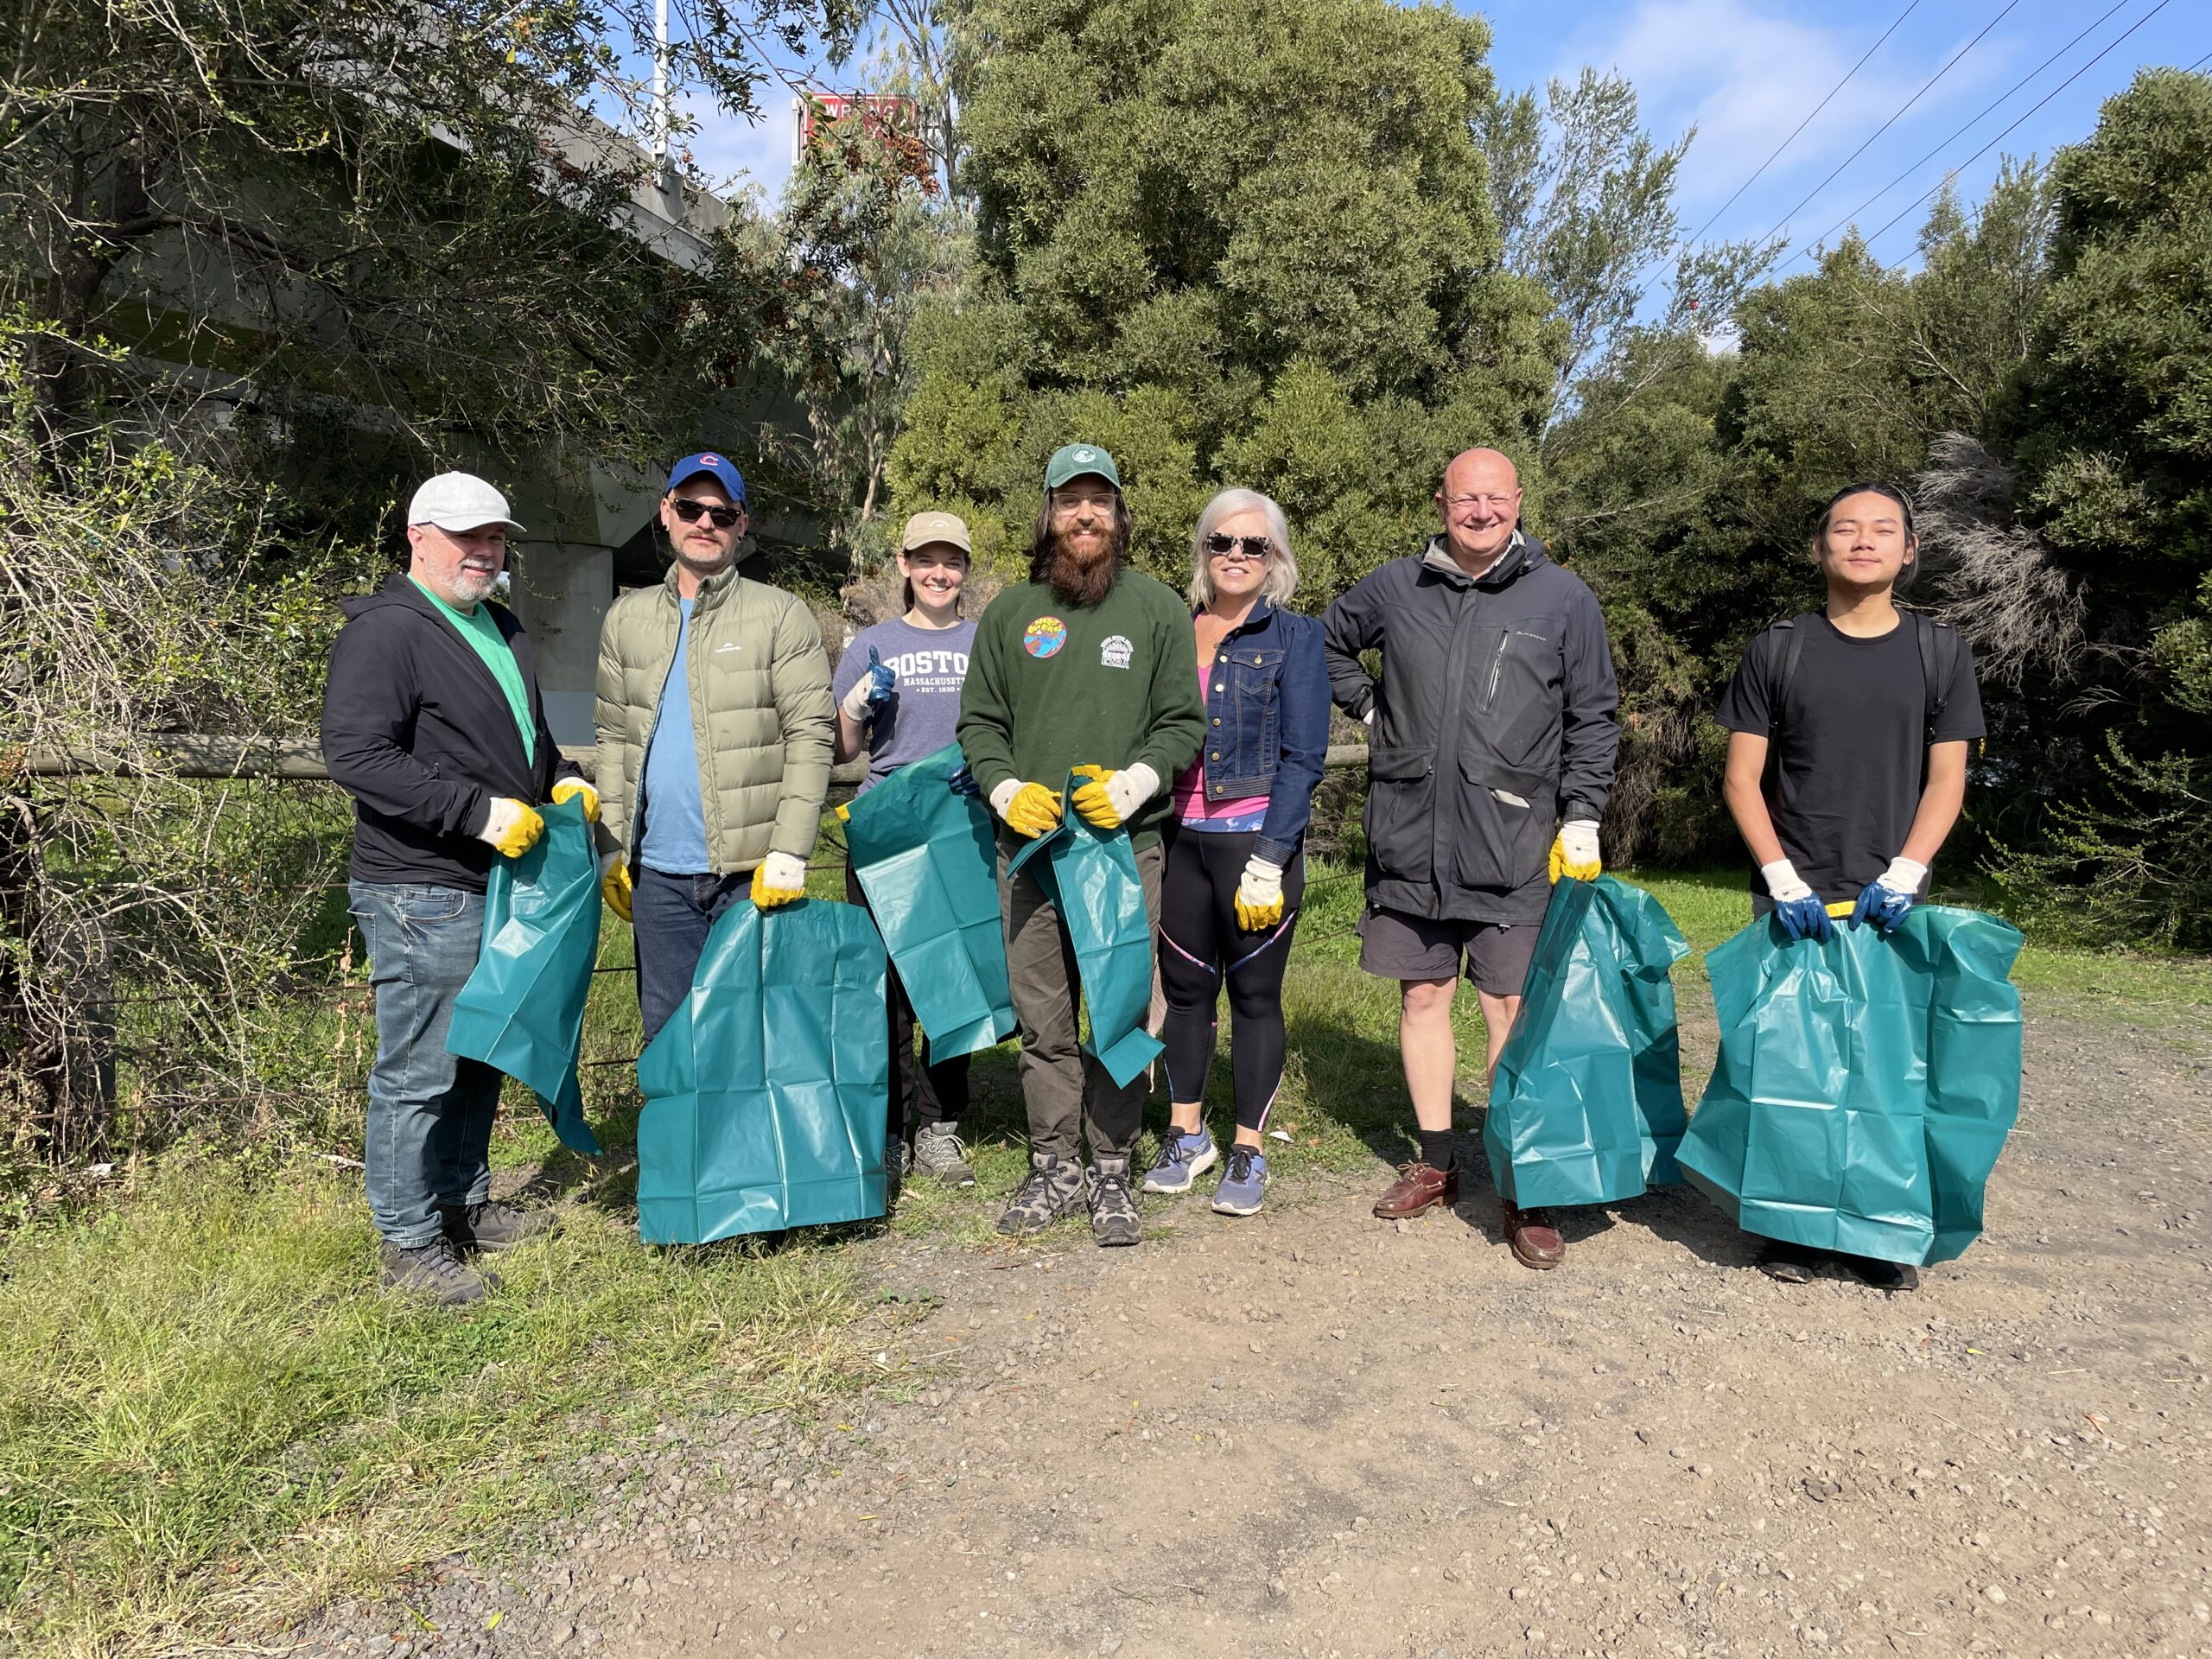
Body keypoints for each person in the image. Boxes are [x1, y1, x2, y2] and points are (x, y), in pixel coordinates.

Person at [1323, 447, 1618, 1270]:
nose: (1480, 511)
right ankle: (1437, 1162)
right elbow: (1326, 645)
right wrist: (1373, 707)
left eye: (1495, 497)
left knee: (1508, 1014)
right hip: (1411, 838)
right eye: (1465, 498)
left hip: (1513, 843)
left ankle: (1524, 1187)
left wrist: (1583, 813)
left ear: (1520, 500)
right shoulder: (1395, 586)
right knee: (1423, 996)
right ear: (1442, 502)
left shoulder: (1564, 599)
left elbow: (1595, 716)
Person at [323, 471, 594, 1305]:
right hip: (421, 886)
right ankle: (407, 1247)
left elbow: (527, 743)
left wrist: (565, 779)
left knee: (478, 1053)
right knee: (420, 1070)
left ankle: (460, 1205)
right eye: (466, 536)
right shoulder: (388, 630)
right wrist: (474, 814)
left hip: (496, 884)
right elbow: (357, 755)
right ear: (417, 537)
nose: (485, 551)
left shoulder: (499, 627)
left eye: (495, 537)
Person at [1715, 480, 1985, 1294]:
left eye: (1883, 530)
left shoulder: (1941, 653)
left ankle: (1877, 1231)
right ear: (1819, 548)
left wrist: (1907, 871)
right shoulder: (1779, 649)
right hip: (1795, 891)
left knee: (1889, 1068)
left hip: (1891, 895)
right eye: (1844, 529)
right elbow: (1740, 779)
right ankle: (1793, 1228)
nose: (1862, 541)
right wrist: (1779, 875)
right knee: (1792, 1066)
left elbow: (1949, 779)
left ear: (1908, 550)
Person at [957, 444, 1206, 1247]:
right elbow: (980, 724)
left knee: (1124, 1009)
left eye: (1100, 500)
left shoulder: (1158, 609)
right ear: (1048, 513)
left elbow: (1182, 724)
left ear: (1120, 514)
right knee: (1043, 1015)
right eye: (1071, 501)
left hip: (1123, 847)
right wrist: (1003, 788)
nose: (1085, 515)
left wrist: (1136, 782)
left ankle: (1111, 1166)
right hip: (1030, 851)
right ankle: (1055, 1164)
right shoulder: (1009, 613)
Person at [594, 453, 834, 1043]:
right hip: (658, 878)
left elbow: (812, 734)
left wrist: (791, 851)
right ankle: (678, 1141)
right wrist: (611, 848)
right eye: (690, 508)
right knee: (669, 1038)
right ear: (666, 513)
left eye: (722, 513)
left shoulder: (781, 615)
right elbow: (612, 736)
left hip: (752, 875)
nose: (706, 522)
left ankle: (750, 1142)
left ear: (742, 524)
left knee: (752, 1038)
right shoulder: (625, 619)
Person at [1142, 490, 1329, 1217]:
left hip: (1255, 844)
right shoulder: (1173, 631)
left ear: (1275, 556)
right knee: (1186, 993)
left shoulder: (1296, 638)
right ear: (1204, 551)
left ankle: (1248, 1149)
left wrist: (1271, 855)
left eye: (1254, 545)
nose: (1236, 556)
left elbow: (1305, 755)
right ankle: (1187, 1137)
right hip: (1178, 839)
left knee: (1254, 998)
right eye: (1222, 542)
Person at [834, 511, 982, 1192]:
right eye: (927, 559)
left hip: (961, 822)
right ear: (903, 564)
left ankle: (939, 1124)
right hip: (886, 825)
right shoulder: (871, 642)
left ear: (965, 569)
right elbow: (842, 750)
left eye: (951, 561)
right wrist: (857, 706)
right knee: (886, 982)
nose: (939, 573)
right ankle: (889, 1127)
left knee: (955, 973)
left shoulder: (987, 642)